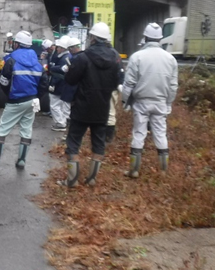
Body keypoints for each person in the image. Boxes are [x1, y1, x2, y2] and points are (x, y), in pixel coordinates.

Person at [62, 22, 122, 187]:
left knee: (74, 142)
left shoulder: (83, 57)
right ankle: (92, 179)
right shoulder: (116, 57)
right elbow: (118, 81)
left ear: (93, 38)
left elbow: (70, 80)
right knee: (98, 143)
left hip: (82, 107)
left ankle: (72, 180)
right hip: (102, 108)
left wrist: (70, 71)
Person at [122, 22, 179, 178]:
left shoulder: (137, 57)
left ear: (145, 37)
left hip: (141, 102)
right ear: (160, 38)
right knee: (161, 134)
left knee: (139, 134)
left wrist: (125, 101)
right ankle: (163, 170)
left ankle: (134, 170)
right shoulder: (170, 59)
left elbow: (129, 83)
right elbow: (173, 86)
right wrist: (168, 103)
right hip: (161, 101)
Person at [0, 30, 49, 170]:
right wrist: (36, 97)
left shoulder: (11, 60)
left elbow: (3, 81)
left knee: (2, 130)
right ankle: (21, 161)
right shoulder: (37, 62)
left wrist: (10, 95)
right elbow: (44, 83)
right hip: (32, 101)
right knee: (26, 130)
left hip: (15, 100)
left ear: (17, 44)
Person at [48, 35, 75, 131]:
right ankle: (62, 122)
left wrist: (53, 84)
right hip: (62, 85)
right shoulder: (64, 57)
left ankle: (60, 123)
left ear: (62, 48)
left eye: (58, 47)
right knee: (60, 105)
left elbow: (59, 73)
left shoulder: (64, 58)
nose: (56, 48)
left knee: (54, 105)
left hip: (58, 85)